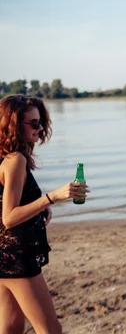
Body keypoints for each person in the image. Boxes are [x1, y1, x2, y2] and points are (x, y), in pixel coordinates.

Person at [0, 94, 89, 334]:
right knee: (50, 329)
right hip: (16, 258)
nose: (40, 129)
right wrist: (52, 197)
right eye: (34, 123)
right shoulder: (15, 160)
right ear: (14, 125)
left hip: (2, 255)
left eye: (41, 122)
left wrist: (38, 206)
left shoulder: (5, 156)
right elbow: (8, 218)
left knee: (10, 327)